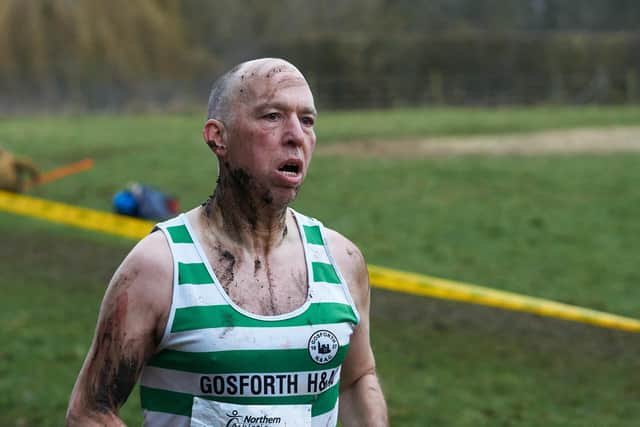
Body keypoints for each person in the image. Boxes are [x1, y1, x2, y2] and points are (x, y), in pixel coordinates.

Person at [66, 58, 389, 427]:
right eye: (272, 116)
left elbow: (356, 380)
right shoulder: (159, 268)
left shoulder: (342, 262)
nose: (296, 135)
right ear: (218, 137)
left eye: (308, 120)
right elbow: (89, 411)